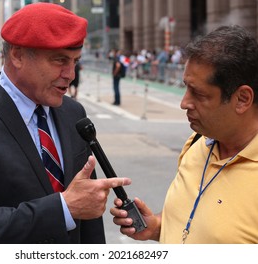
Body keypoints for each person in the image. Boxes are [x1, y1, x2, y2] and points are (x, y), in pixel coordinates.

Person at [0, 2, 131, 244]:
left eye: (75, 61)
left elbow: (87, 211)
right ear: (17, 55)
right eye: (60, 60)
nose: (70, 73)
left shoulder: (72, 112)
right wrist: (63, 208)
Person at [110, 25, 258, 244]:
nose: (184, 103)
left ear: (243, 99)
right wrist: (157, 227)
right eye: (185, 88)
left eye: (198, 93)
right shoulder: (197, 142)